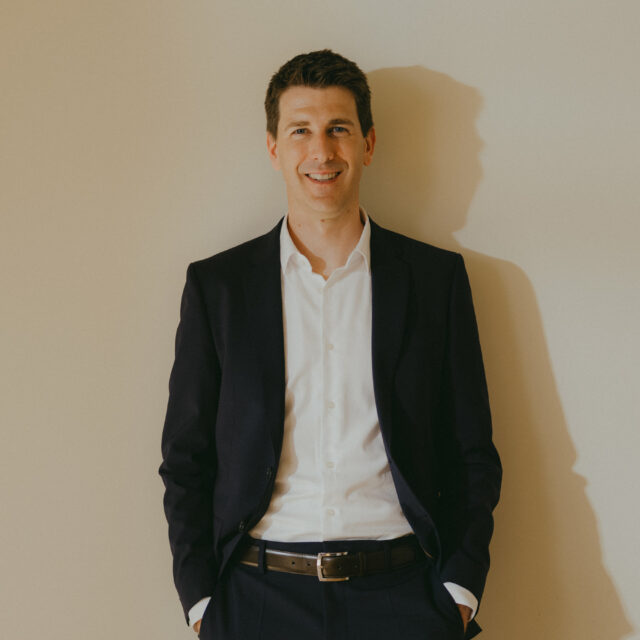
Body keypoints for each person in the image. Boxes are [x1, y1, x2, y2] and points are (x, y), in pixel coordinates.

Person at [159, 49, 501, 640]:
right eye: (301, 131)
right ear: (274, 147)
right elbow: (185, 459)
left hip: (404, 597)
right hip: (256, 600)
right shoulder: (218, 288)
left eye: (338, 129)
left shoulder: (434, 281)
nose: (321, 151)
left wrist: (459, 592)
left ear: (368, 144)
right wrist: (202, 603)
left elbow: (473, 452)